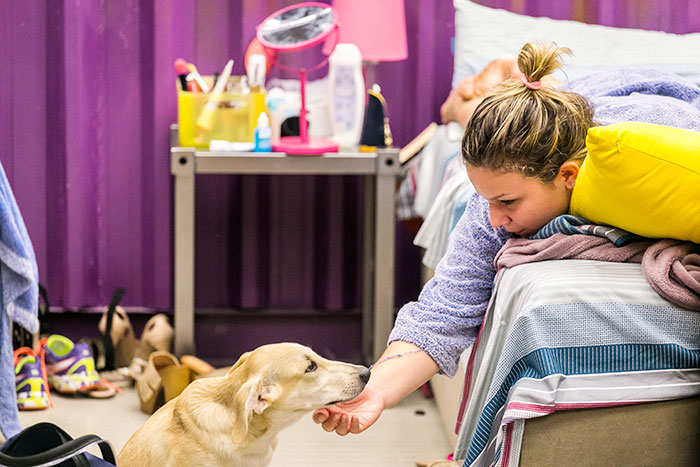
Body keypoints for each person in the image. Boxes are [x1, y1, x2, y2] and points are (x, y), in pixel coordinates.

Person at [312, 41, 700, 437]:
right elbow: (443, 310)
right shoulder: (490, 210)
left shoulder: (661, 148)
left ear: (569, 176)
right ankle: (459, 104)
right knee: (464, 111)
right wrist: (376, 389)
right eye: (487, 200)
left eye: (508, 201)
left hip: (655, 94)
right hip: (576, 98)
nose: (497, 218)